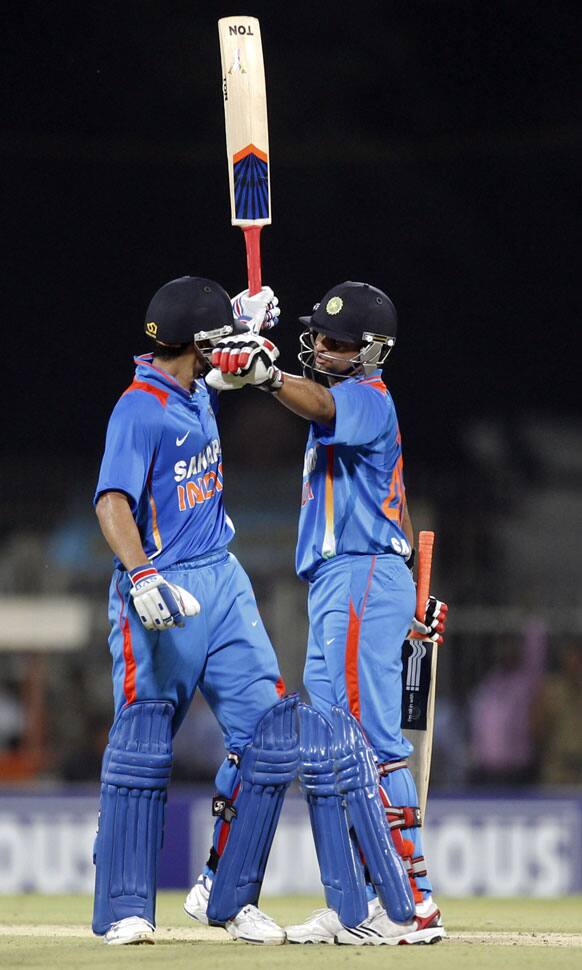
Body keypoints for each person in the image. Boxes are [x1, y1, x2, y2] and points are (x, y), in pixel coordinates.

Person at [206, 280, 448, 945]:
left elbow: (315, 401)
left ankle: (412, 906)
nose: (327, 347)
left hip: (362, 575)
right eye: (324, 337)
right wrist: (251, 366)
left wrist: (266, 373)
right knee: (339, 749)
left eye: (342, 341)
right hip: (341, 583)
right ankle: (363, 904)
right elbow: (309, 401)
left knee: (369, 743)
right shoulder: (341, 400)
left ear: (372, 352)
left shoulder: (367, 400)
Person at [92, 276, 299, 946]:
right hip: (162, 591)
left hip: (223, 578)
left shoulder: (190, 384)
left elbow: (220, 372)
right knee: (144, 746)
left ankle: (227, 891)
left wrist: (241, 326)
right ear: (196, 343)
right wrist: (141, 573)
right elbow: (111, 503)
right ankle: (126, 907)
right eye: (214, 339)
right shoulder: (139, 409)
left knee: (269, 733)